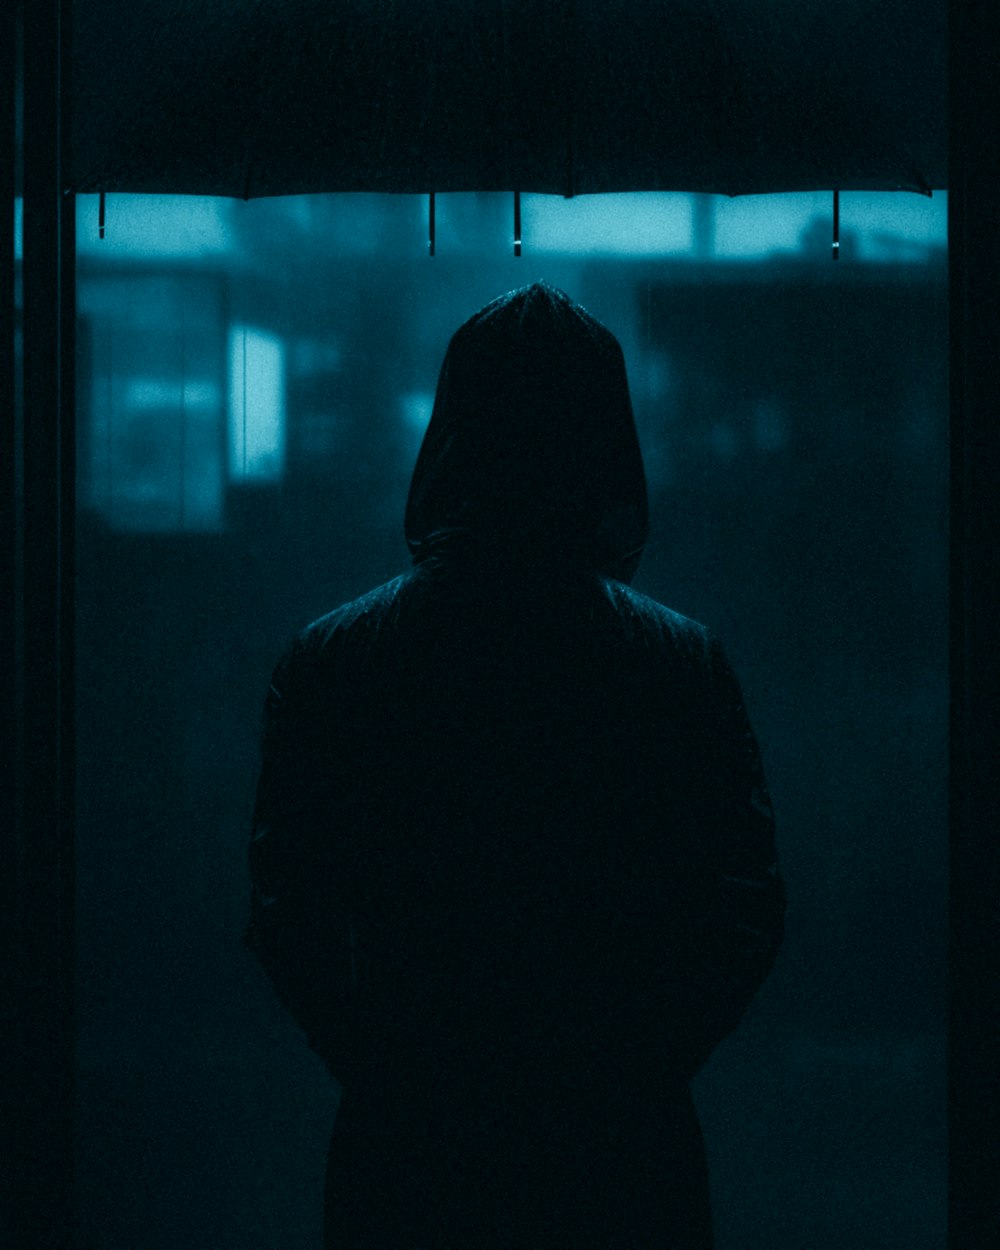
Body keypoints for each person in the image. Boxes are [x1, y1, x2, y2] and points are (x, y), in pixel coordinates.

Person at [245, 282, 786, 1249]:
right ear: (604, 441)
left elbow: (289, 909)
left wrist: (389, 1066)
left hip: (409, 1152)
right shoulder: (680, 664)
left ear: (452, 434)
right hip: (622, 1158)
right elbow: (743, 905)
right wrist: (636, 1071)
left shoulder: (333, 659)